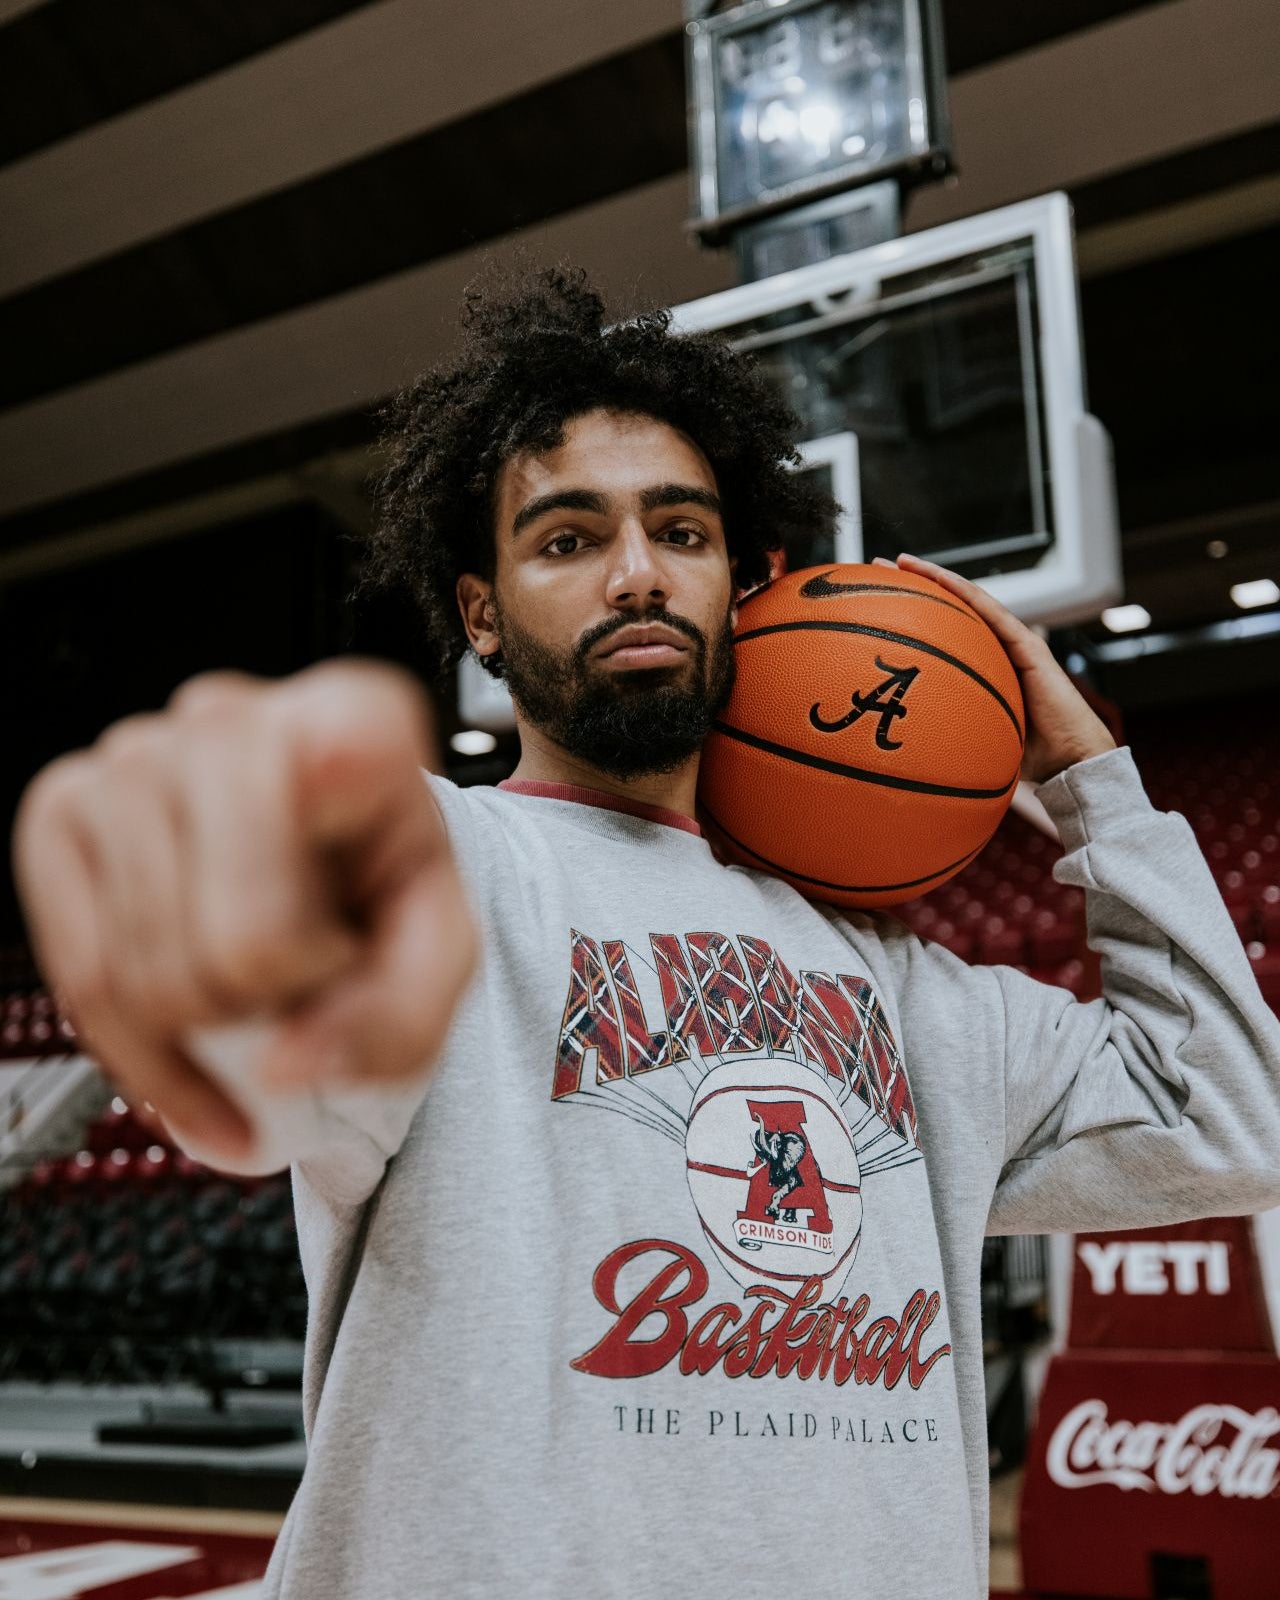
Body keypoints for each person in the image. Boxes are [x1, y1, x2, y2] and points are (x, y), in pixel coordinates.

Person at [15, 268, 1280, 1600]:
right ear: (483, 610)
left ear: (746, 581)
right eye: (567, 539)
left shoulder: (907, 987)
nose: (635, 575)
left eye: (680, 530)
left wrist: (1091, 781)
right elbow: (274, 1016)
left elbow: (1235, 1116)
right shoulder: (445, 868)